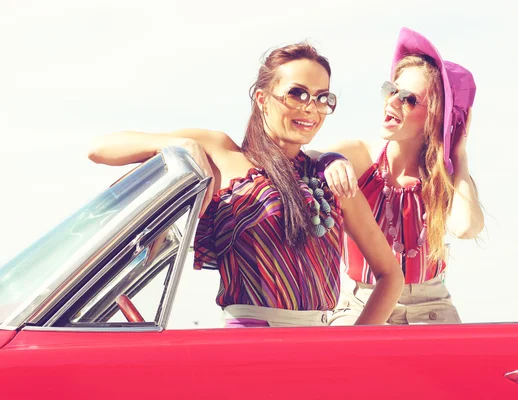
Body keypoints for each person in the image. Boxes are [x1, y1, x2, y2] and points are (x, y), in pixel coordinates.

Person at [88, 42, 404, 328]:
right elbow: (100, 148)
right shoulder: (224, 153)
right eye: (297, 93)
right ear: (262, 99)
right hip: (248, 344)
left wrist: (353, 345)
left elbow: (390, 276)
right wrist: (180, 144)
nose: (310, 108)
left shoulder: (329, 177)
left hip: (319, 344)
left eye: (323, 98)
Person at [316, 27, 484, 325]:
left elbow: (466, 228)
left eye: (407, 99)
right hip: (361, 303)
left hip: (432, 306)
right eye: (390, 90)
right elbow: (305, 161)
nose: (391, 102)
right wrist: (328, 162)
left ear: (436, 115)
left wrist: (459, 157)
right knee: (347, 368)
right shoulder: (359, 157)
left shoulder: (442, 176)